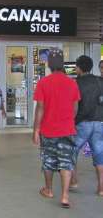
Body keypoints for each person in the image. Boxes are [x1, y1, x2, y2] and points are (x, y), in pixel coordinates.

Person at [32, 48, 81, 209]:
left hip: (48, 130)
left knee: (48, 161)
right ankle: (65, 196)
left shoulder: (43, 83)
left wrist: (36, 130)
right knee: (66, 162)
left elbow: (40, 108)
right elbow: (75, 109)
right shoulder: (72, 83)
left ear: (49, 65)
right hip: (67, 129)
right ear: (62, 65)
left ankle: (49, 189)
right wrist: (67, 120)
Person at [69, 55, 103, 197]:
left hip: (82, 123)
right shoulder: (99, 81)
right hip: (99, 123)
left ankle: (74, 181)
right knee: (100, 155)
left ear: (79, 68)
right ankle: (101, 188)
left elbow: (74, 106)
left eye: (76, 66)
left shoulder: (76, 83)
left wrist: (72, 121)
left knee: (71, 151)